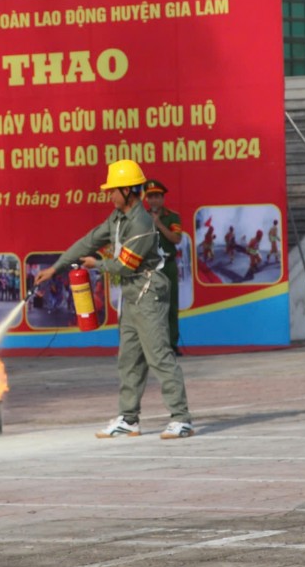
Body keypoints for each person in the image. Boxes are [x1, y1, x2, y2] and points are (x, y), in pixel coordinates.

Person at [34, 159, 193, 439]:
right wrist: (55, 268)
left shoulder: (142, 223)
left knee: (158, 355)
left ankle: (181, 418)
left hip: (148, 292)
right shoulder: (117, 219)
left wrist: (96, 265)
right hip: (132, 293)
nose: (109, 195)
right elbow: (88, 241)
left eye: (113, 190)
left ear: (129, 191)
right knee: (129, 358)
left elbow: (124, 266)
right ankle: (129, 419)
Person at [143, 178, 184, 355]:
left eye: (157, 196)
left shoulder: (172, 217)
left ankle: (172, 345)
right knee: (151, 308)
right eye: (150, 196)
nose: (154, 200)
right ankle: (153, 346)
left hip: (167, 266)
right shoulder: (141, 217)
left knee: (171, 307)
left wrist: (158, 224)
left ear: (163, 198)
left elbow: (176, 238)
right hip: (150, 268)